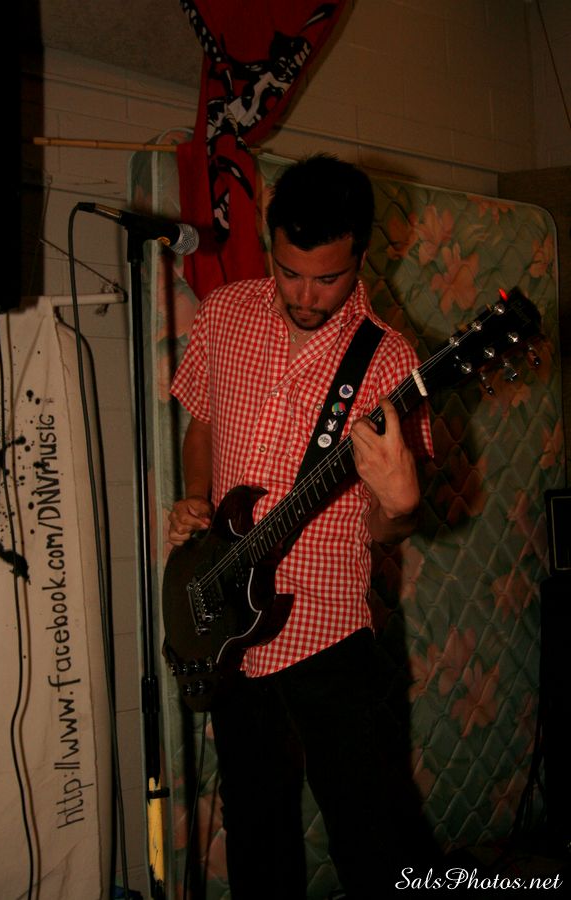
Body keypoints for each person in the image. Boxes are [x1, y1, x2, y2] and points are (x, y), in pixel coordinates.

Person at [167, 153, 435, 899]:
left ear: (362, 255)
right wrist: (194, 500)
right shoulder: (224, 312)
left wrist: (399, 506)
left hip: (327, 630)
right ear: (269, 239)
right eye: (289, 272)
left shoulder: (388, 361)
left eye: (327, 278)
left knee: (372, 835)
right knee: (256, 832)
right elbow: (202, 422)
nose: (305, 296)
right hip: (228, 622)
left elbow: (389, 532)